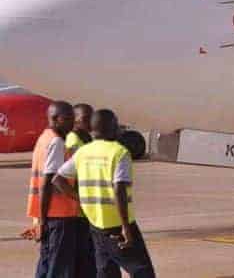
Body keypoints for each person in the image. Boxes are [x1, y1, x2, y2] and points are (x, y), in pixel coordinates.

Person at [54, 109, 156, 278]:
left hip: (95, 222)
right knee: (142, 270)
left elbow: (58, 179)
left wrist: (80, 200)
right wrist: (125, 227)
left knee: (106, 270)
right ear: (112, 127)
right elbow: (119, 189)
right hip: (117, 223)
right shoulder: (119, 152)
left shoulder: (83, 152)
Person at [24, 101, 96, 277]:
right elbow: (50, 181)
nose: (73, 123)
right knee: (58, 267)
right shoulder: (56, 141)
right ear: (55, 119)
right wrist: (42, 221)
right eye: (68, 118)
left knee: (47, 263)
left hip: (50, 214)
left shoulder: (44, 138)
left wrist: (40, 219)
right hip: (60, 215)